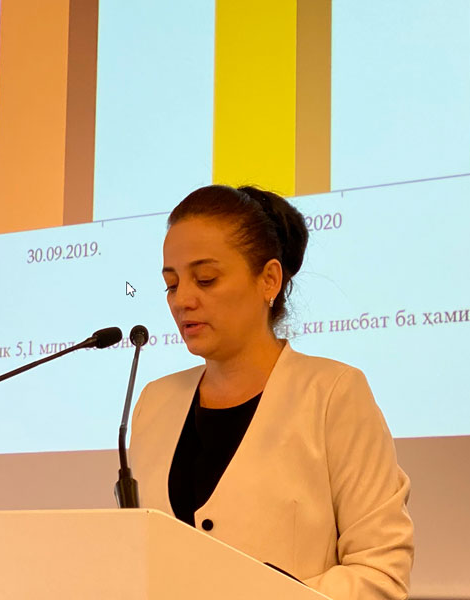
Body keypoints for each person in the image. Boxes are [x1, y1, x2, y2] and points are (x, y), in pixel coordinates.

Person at [129, 184, 414, 600]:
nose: (182, 300)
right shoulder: (154, 402)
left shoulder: (333, 394)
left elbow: (380, 574)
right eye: (171, 284)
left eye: (206, 279)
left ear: (269, 280)